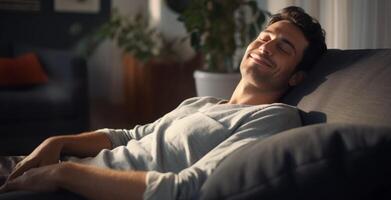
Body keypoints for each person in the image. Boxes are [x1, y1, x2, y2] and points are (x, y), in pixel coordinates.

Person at [0, 6, 327, 200]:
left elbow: (189, 190)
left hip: (76, 190)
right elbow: (128, 137)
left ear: (296, 77)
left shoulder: (274, 118)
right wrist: (57, 142)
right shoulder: (202, 103)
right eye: (264, 37)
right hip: (59, 168)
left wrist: (64, 175)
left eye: (284, 47)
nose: (266, 47)